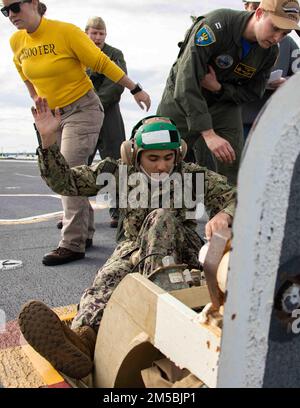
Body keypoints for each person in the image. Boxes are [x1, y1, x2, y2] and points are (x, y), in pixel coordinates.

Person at [18, 97, 236, 379]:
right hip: (132, 248)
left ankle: (158, 311)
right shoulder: (118, 172)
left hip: (181, 247)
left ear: (178, 155)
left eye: (169, 158)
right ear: (134, 155)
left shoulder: (191, 174)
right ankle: (83, 343)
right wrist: (48, 142)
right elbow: (66, 182)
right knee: (103, 286)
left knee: (162, 217)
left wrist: (225, 214)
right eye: (153, 158)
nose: (162, 166)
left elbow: (234, 196)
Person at [1, 0, 151, 266]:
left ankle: (72, 243)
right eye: (4, 11)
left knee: (69, 169)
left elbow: (102, 62)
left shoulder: (65, 32)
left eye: (14, 7)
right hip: (53, 114)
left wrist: (135, 88)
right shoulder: (16, 42)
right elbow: (26, 76)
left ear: (33, 3)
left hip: (83, 109)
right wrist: (38, 103)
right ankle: (85, 232)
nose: (10, 15)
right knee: (67, 172)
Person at [157, 0, 300, 185]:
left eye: (284, 33)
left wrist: (219, 88)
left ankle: (227, 213)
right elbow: (186, 82)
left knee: (231, 165)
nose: (276, 38)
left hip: (224, 104)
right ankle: (148, 209)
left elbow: (253, 92)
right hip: (183, 99)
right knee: (161, 154)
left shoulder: (270, 52)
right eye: (274, 28)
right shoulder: (215, 26)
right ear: (258, 13)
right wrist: (208, 133)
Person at [86, 16, 127, 229]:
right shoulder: (77, 53)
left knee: (114, 162)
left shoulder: (114, 54)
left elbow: (117, 82)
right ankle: (75, 212)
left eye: (101, 33)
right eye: (94, 33)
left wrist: (96, 104)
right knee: (78, 163)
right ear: (86, 33)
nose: (97, 37)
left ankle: (117, 210)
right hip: (81, 115)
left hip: (108, 113)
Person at [242, 0, 300, 139]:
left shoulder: (288, 44)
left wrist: (285, 83)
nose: (277, 37)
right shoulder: (231, 37)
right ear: (247, 7)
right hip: (236, 117)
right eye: (255, 6)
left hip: (270, 120)